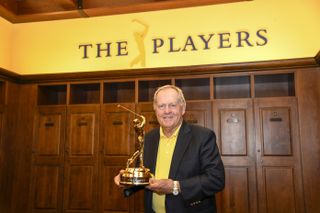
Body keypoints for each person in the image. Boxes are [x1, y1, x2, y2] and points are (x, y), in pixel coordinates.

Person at [114, 85, 225, 213]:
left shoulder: (203, 137)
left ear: (182, 108)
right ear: (155, 110)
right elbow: (144, 175)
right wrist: (127, 180)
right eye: (161, 106)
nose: (167, 111)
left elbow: (216, 179)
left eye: (172, 105)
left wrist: (174, 186)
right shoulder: (149, 138)